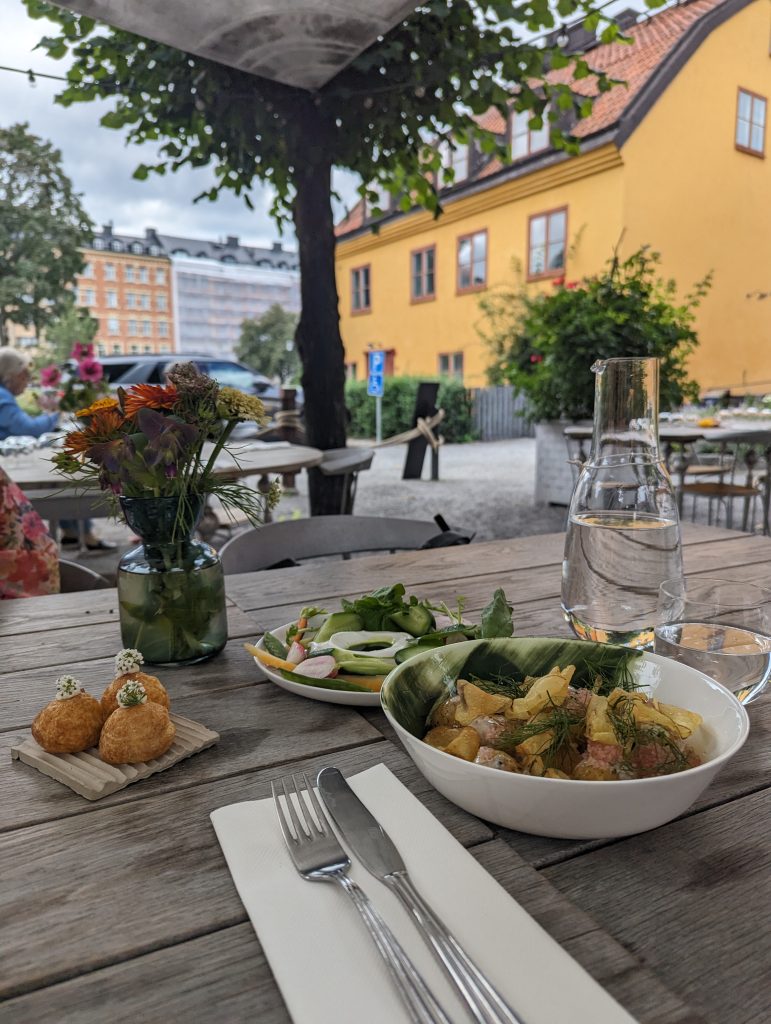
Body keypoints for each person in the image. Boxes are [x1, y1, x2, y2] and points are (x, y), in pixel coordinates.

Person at [0, 347, 115, 551]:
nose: (27, 380)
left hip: (11, 469)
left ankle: (73, 533)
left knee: (59, 472)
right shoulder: (3, 399)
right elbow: (28, 429)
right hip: (12, 473)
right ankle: (82, 533)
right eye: (24, 375)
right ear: (10, 375)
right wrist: (58, 414)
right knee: (64, 475)